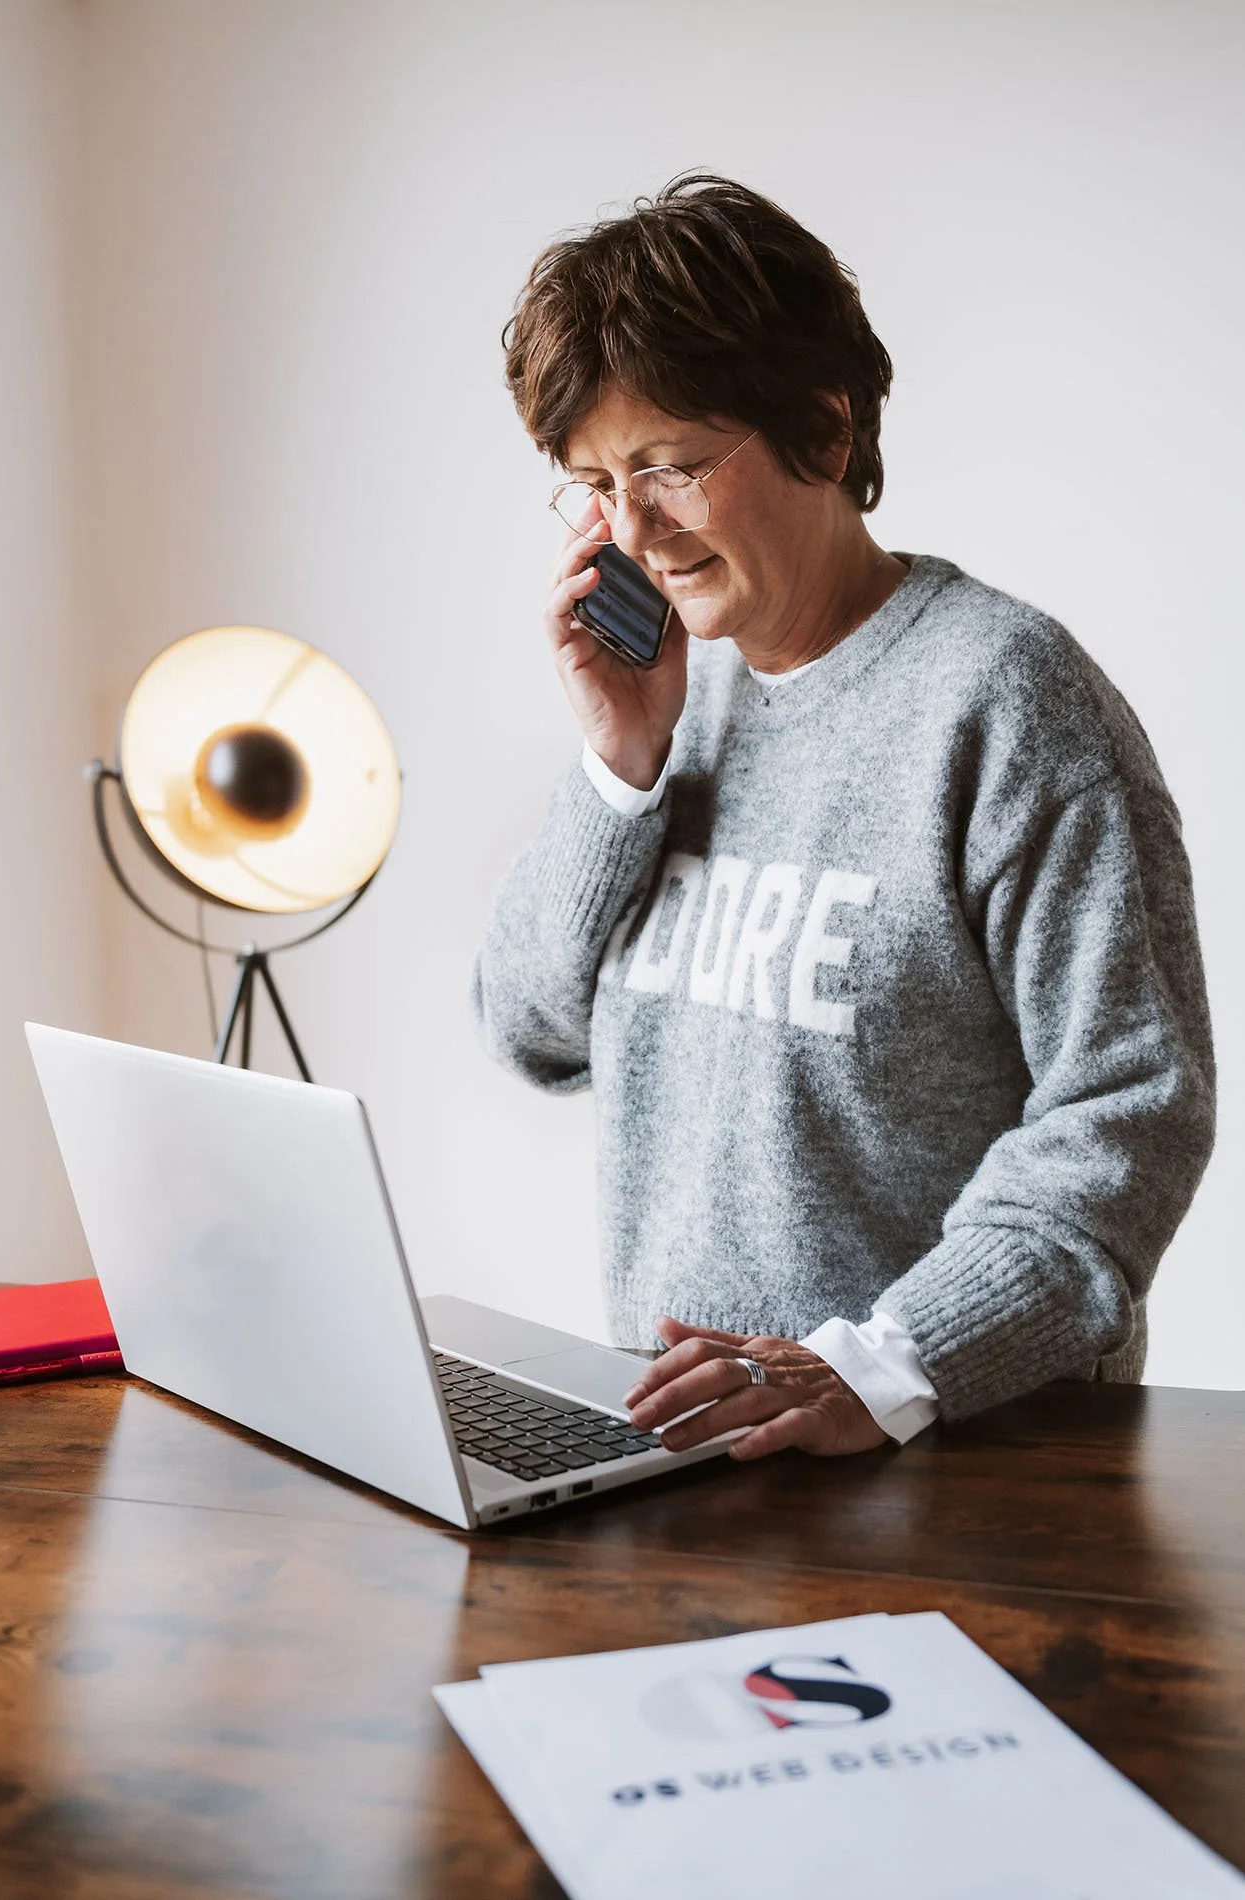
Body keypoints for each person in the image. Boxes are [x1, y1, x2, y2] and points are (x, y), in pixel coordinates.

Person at [471, 173, 1214, 1465]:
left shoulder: (1004, 699)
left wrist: (877, 1366)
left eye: (671, 467)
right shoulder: (668, 704)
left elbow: (1129, 1109)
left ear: (823, 430)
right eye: (594, 483)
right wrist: (618, 767)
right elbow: (525, 1029)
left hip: (962, 1471)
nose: (633, 534)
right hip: (693, 1461)